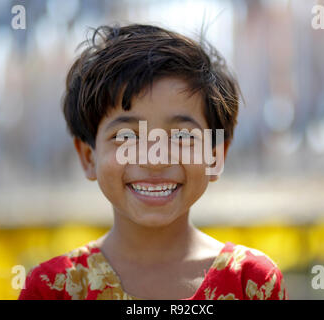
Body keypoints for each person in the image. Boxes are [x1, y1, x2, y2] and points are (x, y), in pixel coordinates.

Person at [18, 23, 288, 300]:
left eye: (182, 135)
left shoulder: (252, 282)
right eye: (127, 136)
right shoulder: (52, 288)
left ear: (216, 157)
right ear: (88, 157)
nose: (155, 159)